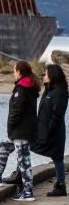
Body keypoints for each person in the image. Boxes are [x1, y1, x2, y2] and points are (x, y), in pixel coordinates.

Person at [0, 60, 40, 201]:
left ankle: (28, 192)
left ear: (19, 72)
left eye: (14, 70)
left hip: (21, 131)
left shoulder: (22, 89)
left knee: (23, 160)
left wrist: (10, 127)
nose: (14, 73)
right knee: (3, 145)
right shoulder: (26, 86)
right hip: (20, 130)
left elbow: (17, 111)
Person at [32, 64, 68, 196]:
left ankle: (61, 186)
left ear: (52, 76)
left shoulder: (60, 93)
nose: (44, 76)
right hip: (41, 131)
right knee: (26, 147)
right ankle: (21, 173)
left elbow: (57, 115)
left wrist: (49, 132)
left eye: (46, 74)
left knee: (57, 157)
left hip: (54, 132)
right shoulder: (48, 90)